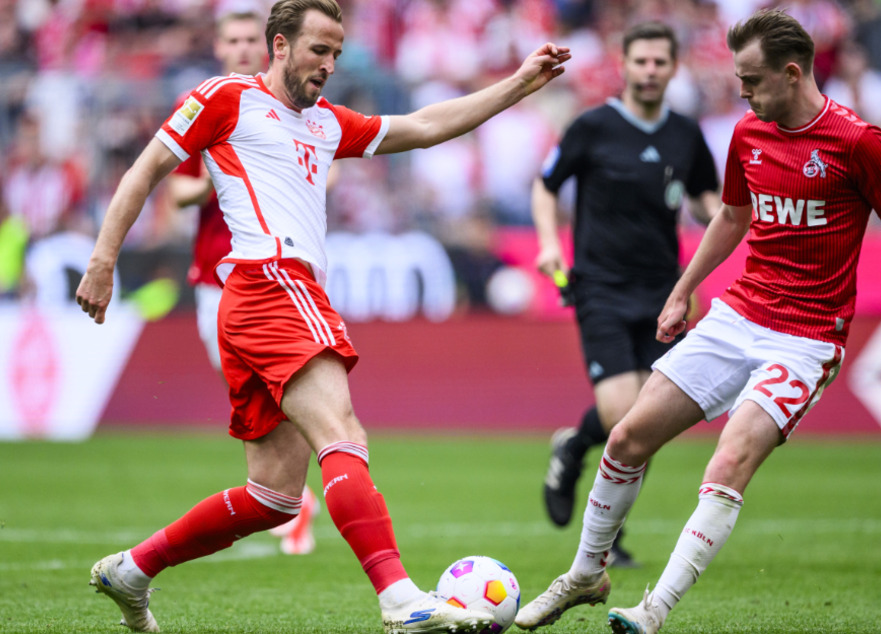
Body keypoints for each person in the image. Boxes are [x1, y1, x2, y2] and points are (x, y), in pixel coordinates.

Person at [76, 1, 570, 632]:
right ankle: (397, 596)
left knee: (273, 496)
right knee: (343, 434)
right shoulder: (226, 98)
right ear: (279, 45)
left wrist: (518, 85)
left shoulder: (327, 123)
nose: (330, 65)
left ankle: (133, 569)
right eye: (318, 50)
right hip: (270, 281)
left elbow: (423, 124)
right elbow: (148, 168)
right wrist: (103, 258)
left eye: (336, 53)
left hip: (253, 302)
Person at [515, 9, 881, 633]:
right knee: (627, 437)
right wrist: (684, 291)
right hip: (738, 315)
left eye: (753, 80)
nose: (742, 91)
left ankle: (651, 612)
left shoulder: (859, 142)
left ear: (792, 75)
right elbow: (732, 218)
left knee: (727, 463)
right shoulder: (747, 134)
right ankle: (584, 574)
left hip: (807, 339)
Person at [532, 21, 720, 569]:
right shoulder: (592, 126)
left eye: (660, 62)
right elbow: (545, 185)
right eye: (641, 61)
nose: (650, 71)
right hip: (600, 287)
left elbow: (708, 197)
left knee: (648, 422)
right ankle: (575, 452)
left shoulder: (686, 134)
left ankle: (599, 511)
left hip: (665, 291)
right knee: (623, 413)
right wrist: (548, 243)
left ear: (674, 67)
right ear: (624, 64)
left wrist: (725, 223)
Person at [166, 8, 320, 557]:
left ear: (268, 46)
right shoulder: (209, 105)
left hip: (280, 271)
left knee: (289, 385)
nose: (239, 49)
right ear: (218, 46)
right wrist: (224, 167)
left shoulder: (284, 107)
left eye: (246, 40)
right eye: (229, 40)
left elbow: (327, 162)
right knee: (249, 388)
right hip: (216, 275)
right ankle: (284, 491)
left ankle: (290, 497)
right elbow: (176, 191)